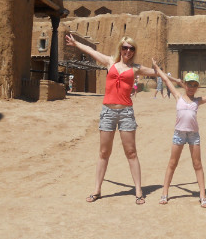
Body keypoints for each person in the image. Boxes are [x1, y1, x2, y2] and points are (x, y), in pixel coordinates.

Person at [65, 33, 157, 205]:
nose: (128, 51)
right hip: (108, 112)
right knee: (104, 153)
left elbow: (156, 73)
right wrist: (76, 44)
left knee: (131, 152)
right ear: (120, 49)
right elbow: (92, 51)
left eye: (131, 48)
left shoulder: (136, 68)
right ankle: (97, 190)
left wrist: (171, 76)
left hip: (126, 113)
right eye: (125, 48)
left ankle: (138, 190)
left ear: (134, 51)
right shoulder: (110, 62)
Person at [152, 60, 206, 208]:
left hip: (193, 135)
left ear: (197, 87)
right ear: (184, 84)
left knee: (197, 164)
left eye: (194, 85)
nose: (191, 87)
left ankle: (202, 195)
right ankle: (165, 193)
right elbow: (166, 79)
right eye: (189, 84)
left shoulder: (198, 101)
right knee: (172, 163)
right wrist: (156, 67)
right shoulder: (178, 96)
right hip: (179, 134)